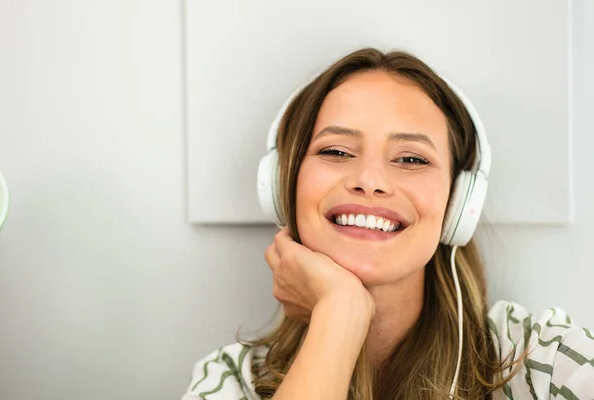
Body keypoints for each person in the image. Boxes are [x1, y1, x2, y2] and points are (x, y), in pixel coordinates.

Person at [181, 48, 594, 399]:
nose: (369, 181)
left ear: (458, 203)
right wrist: (339, 312)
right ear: (283, 185)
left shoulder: (544, 360)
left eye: (412, 159)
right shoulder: (229, 382)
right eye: (338, 151)